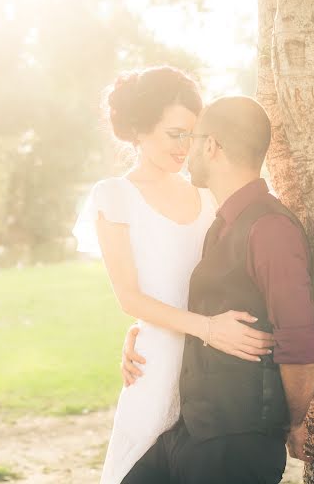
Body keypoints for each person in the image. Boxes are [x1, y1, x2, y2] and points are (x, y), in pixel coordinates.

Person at [72, 67, 275, 484]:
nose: (186, 147)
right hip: (158, 364)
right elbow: (129, 297)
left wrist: (213, 333)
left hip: (215, 372)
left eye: (192, 135)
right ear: (139, 130)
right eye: (174, 133)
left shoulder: (206, 193)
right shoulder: (114, 197)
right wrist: (198, 328)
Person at [120, 95, 314, 484]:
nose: (186, 150)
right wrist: (139, 334)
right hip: (193, 432)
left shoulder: (270, 229)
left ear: (210, 146)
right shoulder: (222, 223)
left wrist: (295, 424)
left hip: (237, 445)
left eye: (193, 139)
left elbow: (299, 344)